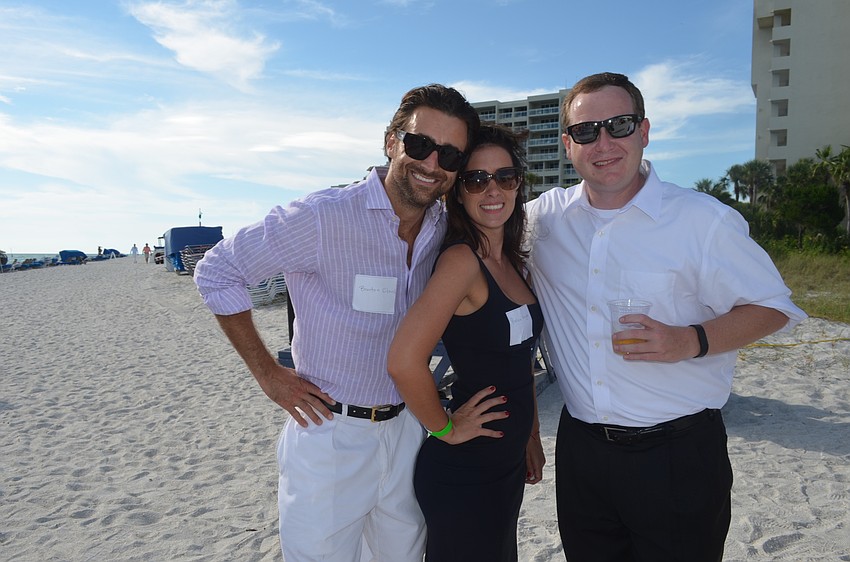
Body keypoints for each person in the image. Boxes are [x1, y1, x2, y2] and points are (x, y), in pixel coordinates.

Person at [524, 72, 807, 562]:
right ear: (568, 145)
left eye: (620, 125)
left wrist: (690, 339)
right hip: (582, 451)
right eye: (587, 131)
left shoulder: (702, 220)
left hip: (678, 454)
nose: (604, 142)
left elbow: (773, 306)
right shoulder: (542, 220)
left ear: (645, 131)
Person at [193, 83, 480, 562]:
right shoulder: (323, 217)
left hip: (408, 429)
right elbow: (218, 270)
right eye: (419, 145)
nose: (432, 164)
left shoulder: (440, 227)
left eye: (450, 155)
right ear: (391, 142)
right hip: (330, 433)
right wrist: (268, 374)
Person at [387, 124, 545, 562]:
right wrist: (444, 427)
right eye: (476, 179)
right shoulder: (461, 261)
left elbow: (520, 360)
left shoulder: (512, 260)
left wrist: (530, 433)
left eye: (505, 177)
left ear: (517, 185)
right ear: (458, 192)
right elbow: (403, 360)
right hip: (466, 469)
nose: (492, 189)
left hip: (506, 462)